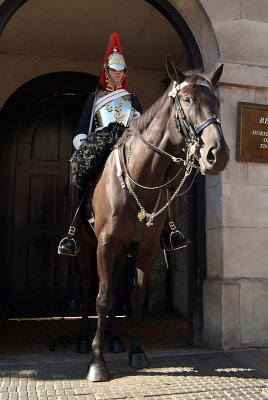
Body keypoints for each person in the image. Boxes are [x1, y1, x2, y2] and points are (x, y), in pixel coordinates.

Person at [58, 32, 189, 256]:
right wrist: (84, 145)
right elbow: (82, 129)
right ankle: (73, 231)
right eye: (113, 70)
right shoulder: (95, 99)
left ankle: (169, 228)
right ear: (106, 73)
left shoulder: (133, 99)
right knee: (77, 168)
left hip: (128, 143)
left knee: (160, 169)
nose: (117, 74)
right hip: (100, 143)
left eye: (121, 71)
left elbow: (141, 127)